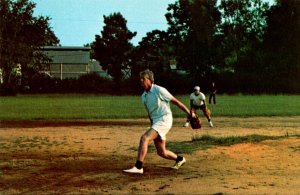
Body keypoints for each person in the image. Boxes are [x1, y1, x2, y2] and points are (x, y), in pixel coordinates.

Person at [123, 69, 193, 174]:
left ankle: (138, 167)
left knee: (144, 138)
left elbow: (176, 102)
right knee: (161, 152)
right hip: (156, 122)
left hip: (165, 119)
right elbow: (150, 114)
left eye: (143, 79)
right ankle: (180, 159)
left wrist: (189, 113)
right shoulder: (144, 96)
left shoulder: (159, 90)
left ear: (150, 80)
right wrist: (152, 126)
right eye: (140, 79)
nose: (141, 81)